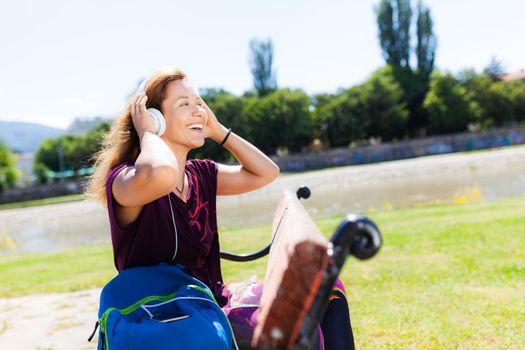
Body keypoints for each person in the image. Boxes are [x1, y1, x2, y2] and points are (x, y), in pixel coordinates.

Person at [87, 67, 354, 349]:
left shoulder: (201, 174)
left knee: (325, 290)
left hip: (211, 306)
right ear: (155, 118)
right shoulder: (126, 180)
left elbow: (266, 172)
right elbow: (161, 174)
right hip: (167, 321)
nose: (198, 111)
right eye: (184, 104)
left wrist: (217, 130)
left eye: (199, 103)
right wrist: (147, 134)